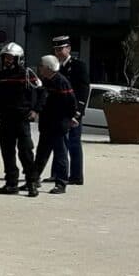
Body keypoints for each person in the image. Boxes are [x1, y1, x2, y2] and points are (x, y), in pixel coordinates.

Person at [0, 43, 44, 196]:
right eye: (5, 57)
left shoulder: (27, 73)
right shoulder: (1, 74)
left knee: (26, 152)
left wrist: (35, 110)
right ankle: (11, 183)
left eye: (11, 58)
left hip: (22, 119)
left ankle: (31, 182)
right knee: (7, 152)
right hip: (5, 119)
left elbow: (41, 92)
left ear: (19, 59)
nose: (7, 60)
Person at [32, 55, 77, 196]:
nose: (39, 68)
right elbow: (43, 99)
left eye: (41, 66)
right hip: (47, 124)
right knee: (41, 154)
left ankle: (61, 183)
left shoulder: (61, 82)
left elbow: (71, 102)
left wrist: (71, 117)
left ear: (48, 68)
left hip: (58, 124)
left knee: (60, 155)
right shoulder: (46, 81)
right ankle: (33, 180)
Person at [52, 37, 89, 186]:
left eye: (61, 49)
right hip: (58, 111)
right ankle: (57, 173)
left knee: (73, 143)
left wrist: (78, 111)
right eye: (56, 49)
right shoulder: (54, 66)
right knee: (58, 143)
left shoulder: (78, 66)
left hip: (73, 111)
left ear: (68, 49)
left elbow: (83, 89)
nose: (58, 52)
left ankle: (76, 176)